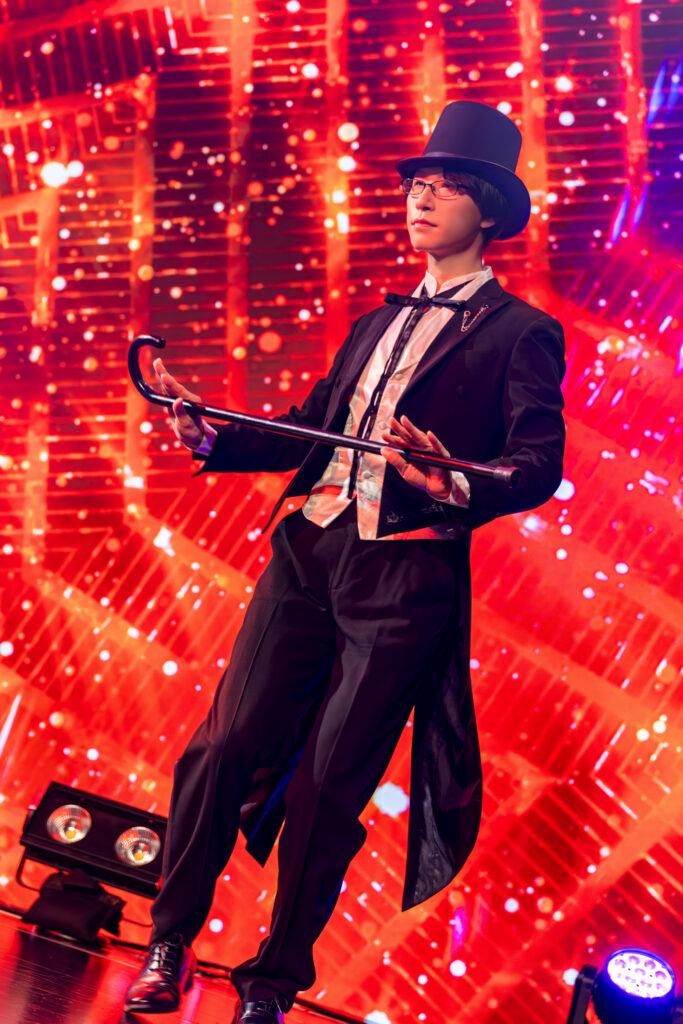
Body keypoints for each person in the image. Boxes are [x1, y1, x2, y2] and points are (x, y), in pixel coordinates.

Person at [124, 100, 565, 1024]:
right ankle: (169, 941)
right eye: (416, 185)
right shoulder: (373, 322)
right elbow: (313, 429)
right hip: (309, 550)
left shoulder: (521, 331)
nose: (420, 200)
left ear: (487, 209)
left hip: (404, 576)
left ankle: (271, 984)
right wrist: (209, 432)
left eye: (445, 187)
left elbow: (534, 464)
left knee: (329, 786)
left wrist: (450, 481)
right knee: (223, 745)